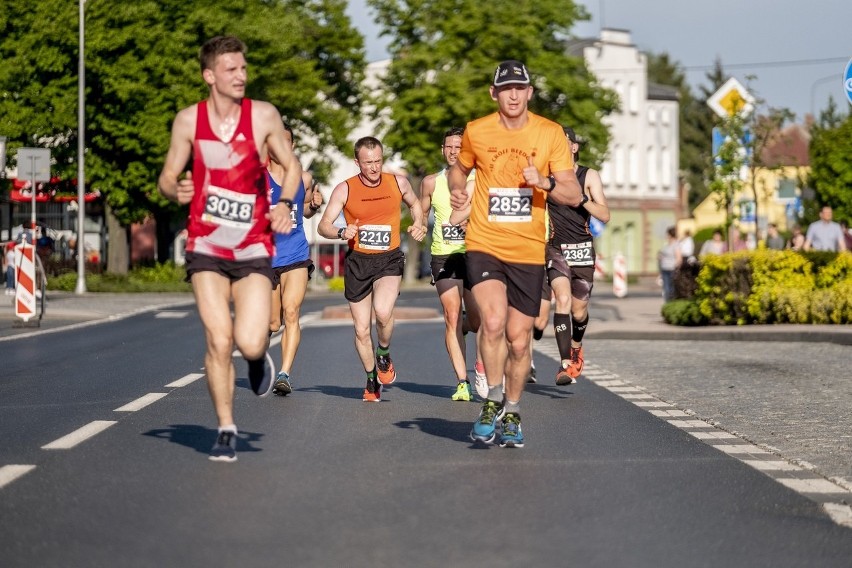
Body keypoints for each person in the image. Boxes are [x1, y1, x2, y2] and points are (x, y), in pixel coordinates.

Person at [157, 36, 302, 462]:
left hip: (254, 244)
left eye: (243, 68)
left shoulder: (262, 117)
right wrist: (175, 190)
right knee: (219, 340)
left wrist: (285, 203)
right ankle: (225, 427)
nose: (241, 76)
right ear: (209, 75)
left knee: (251, 341)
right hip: (206, 245)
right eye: (231, 70)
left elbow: (291, 165)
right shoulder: (188, 121)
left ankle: (258, 362)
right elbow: (167, 176)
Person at [448, 60, 583, 448]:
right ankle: (491, 399)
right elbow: (459, 169)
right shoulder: (477, 130)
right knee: (491, 323)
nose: (512, 94)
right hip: (485, 242)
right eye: (505, 88)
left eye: (519, 87)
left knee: (519, 340)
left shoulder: (550, 133)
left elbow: (574, 194)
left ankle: (513, 409)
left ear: (529, 93)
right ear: (494, 93)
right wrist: (458, 187)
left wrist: (545, 181)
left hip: (527, 249)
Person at [317, 136, 426, 402]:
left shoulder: (397, 182)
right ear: (358, 163)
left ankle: (384, 354)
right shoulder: (345, 189)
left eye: (378, 161)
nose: (375, 168)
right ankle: (370, 379)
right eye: (368, 163)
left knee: (383, 311)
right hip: (358, 261)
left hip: (389, 258)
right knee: (361, 330)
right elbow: (324, 225)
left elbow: (415, 204)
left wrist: (420, 222)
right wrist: (342, 231)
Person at [420, 127, 482, 402]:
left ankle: (469, 325)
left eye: (459, 146)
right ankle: (462, 381)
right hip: (443, 255)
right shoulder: (431, 182)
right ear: (442, 150)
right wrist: (419, 225)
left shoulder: (479, 180)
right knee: (451, 315)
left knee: (479, 319)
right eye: (449, 147)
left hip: (476, 253)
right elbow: (421, 212)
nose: (453, 151)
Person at [546, 126, 610, 385]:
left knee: (579, 310)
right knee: (561, 299)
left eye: (564, 143)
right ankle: (565, 365)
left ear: (574, 147)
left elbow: (604, 215)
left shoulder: (588, 175)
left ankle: (576, 346)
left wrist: (580, 199)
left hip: (583, 249)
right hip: (555, 248)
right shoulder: (546, 177)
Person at [267, 122, 324, 396]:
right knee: (273, 323)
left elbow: (303, 213)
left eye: (286, 141)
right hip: (266, 260)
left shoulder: (303, 178)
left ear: (292, 146)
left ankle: (284, 374)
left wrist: (313, 205)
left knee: (291, 312)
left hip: (296, 254)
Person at [658, 227, 681, 302]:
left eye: (667, 234)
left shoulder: (676, 245)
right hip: (665, 269)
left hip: (672, 269)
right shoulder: (667, 245)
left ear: (670, 235)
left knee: (671, 289)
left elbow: (678, 258)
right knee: (666, 288)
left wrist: (676, 268)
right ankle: (667, 303)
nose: (666, 236)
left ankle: (670, 303)